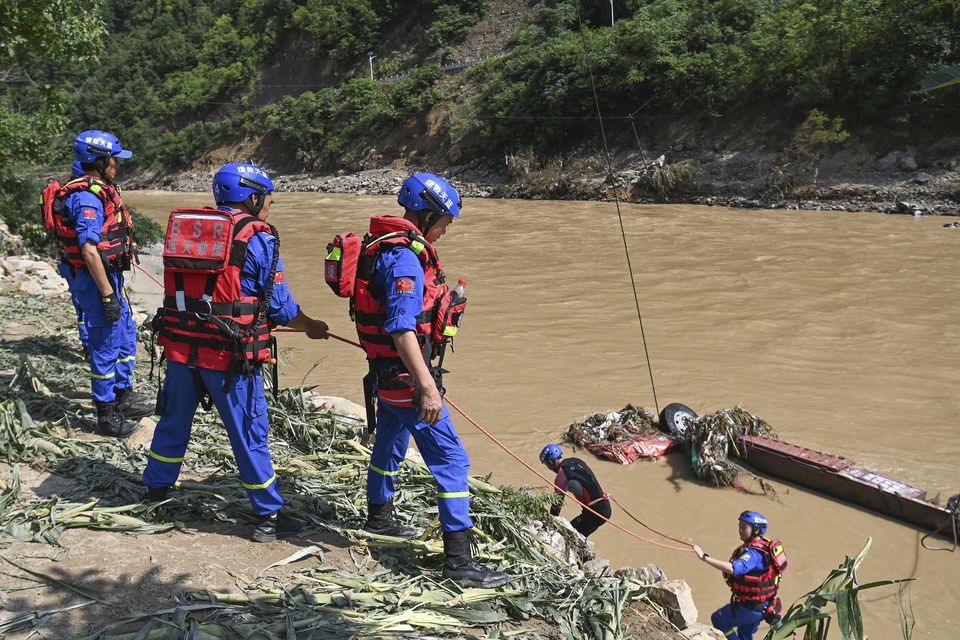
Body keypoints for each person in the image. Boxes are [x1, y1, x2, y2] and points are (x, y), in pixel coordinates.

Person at [143, 162, 330, 542]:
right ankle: (267, 516)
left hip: (180, 348)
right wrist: (311, 327)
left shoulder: (193, 229)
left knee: (173, 421)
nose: (270, 206)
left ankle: (156, 491)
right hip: (228, 357)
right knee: (249, 434)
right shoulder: (259, 238)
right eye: (269, 199)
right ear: (253, 197)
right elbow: (280, 308)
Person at [354, 172, 507, 588]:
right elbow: (403, 328)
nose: (443, 232)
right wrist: (426, 387)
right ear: (424, 215)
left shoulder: (380, 248)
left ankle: (379, 517)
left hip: (385, 379)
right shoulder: (405, 258)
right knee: (453, 463)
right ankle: (459, 564)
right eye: (443, 223)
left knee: (389, 444)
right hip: (407, 381)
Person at [60, 130, 155, 437]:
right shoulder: (86, 198)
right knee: (105, 345)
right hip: (94, 281)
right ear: (98, 161)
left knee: (126, 334)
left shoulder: (101, 189)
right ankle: (106, 413)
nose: (117, 165)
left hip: (108, 275)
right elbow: (89, 250)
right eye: (113, 159)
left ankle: (122, 394)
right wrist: (107, 296)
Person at [693, 511, 787, 640]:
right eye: (740, 526)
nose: (740, 530)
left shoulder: (754, 554)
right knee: (745, 635)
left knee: (719, 620)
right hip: (763, 606)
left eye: (744, 527)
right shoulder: (763, 546)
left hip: (751, 608)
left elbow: (733, 569)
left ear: (757, 530)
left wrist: (704, 558)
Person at [539, 444, 611, 538]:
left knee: (568, 535)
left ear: (550, 462)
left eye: (547, 464)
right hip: (605, 507)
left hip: (595, 513)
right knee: (580, 534)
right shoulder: (576, 461)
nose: (548, 468)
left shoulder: (561, 476)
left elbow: (556, 507)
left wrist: (548, 524)